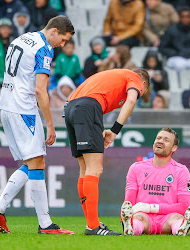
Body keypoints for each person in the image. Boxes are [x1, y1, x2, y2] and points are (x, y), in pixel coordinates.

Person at [0, 15, 75, 235]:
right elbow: (40, 89)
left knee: (33, 160)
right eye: (63, 39)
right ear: (54, 31)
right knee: (37, 161)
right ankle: (45, 224)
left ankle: (0, 208)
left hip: (6, 106)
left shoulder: (21, 39)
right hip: (24, 109)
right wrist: (50, 123)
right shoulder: (45, 49)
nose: (63, 44)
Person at [64, 68, 150, 236]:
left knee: (85, 168)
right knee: (95, 169)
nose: (139, 93)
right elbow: (131, 101)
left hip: (70, 108)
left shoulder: (113, 77)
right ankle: (93, 226)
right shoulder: (135, 78)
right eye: (142, 92)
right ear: (143, 83)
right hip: (88, 107)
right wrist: (115, 130)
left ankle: (92, 223)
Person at [120, 127, 190, 236]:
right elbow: (128, 205)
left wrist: (150, 208)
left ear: (174, 148)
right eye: (158, 138)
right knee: (138, 218)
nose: (160, 141)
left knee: (176, 218)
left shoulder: (181, 171)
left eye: (166, 140)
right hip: (144, 216)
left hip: (168, 217)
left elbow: (184, 207)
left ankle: (181, 229)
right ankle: (131, 228)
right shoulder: (136, 168)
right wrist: (126, 218)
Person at [159, 6, 190, 73]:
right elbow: (162, 47)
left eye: (188, 16)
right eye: (183, 16)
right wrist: (176, 53)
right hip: (176, 57)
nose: (185, 19)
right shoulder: (171, 30)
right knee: (180, 64)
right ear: (179, 17)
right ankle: (180, 83)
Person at [0, 18, 15, 94]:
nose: (5, 31)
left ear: (11, 30)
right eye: (3, 28)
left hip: (11, 80)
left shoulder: (15, 43)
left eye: (7, 28)